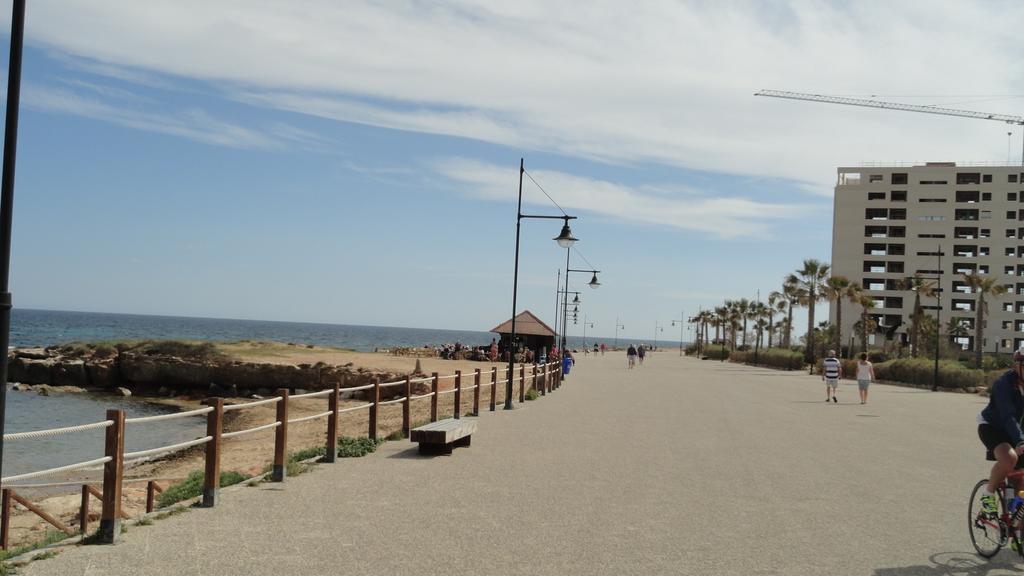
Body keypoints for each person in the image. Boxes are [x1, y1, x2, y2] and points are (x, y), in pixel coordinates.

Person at [977, 346, 1024, 519]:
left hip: (1018, 433)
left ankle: (1016, 535)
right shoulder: (1003, 384)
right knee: (1010, 458)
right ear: (1017, 365)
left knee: (1021, 487)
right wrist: (1020, 441)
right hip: (993, 427)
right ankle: (988, 496)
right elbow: (1008, 416)